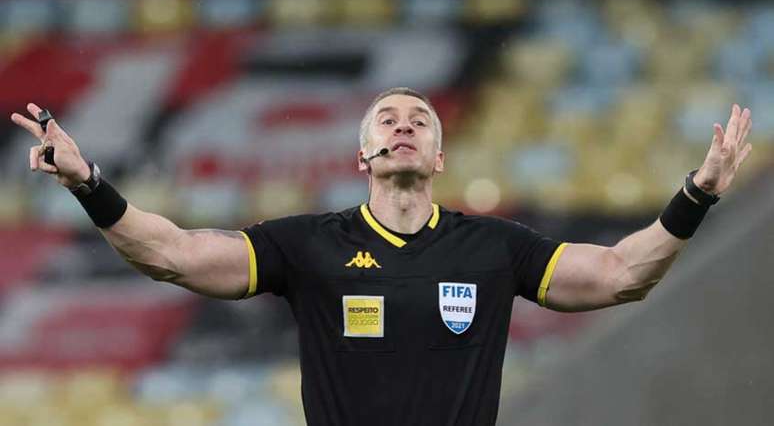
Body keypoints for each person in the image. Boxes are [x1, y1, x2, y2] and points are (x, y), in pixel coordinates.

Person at [12, 87, 753, 426]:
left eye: (420, 119)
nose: (404, 126)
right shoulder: (306, 243)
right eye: (387, 119)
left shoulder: (496, 248)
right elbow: (172, 255)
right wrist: (90, 183)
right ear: (362, 151)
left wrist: (697, 194)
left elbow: (623, 275)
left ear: (439, 151)